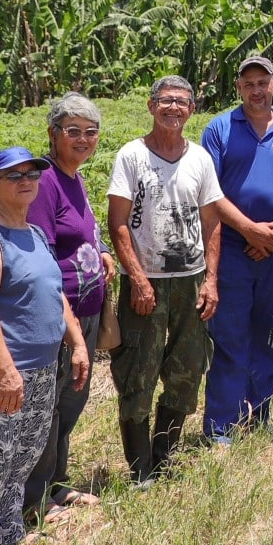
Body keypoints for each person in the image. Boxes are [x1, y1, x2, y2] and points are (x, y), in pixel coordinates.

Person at [0, 147, 88, 545]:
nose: (26, 181)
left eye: (32, 173)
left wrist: (78, 341)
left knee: (22, 456)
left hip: (42, 366)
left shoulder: (34, 233)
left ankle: (10, 532)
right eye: (14, 176)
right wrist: (7, 372)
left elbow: (57, 297)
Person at [107, 76, 224, 483]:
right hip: (147, 283)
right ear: (151, 105)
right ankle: (140, 473)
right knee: (138, 372)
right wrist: (138, 280)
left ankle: (163, 457)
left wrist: (211, 280)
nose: (174, 108)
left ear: (192, 109)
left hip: (190, 281)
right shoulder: (132, 156)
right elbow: (118, 224)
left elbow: (212, 223)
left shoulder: (200, 159)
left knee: (187, 370)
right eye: (166, 101)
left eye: (182, 102)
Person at [201, 55, 273, 441]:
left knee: (272, 333)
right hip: (230, 249)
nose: (256, 90)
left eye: (263, 82)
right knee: (229, 336)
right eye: (249, 84)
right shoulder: (220, 129)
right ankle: (221, 426)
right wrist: (248, 231)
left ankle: (259, 416)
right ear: (238, 87)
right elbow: (209, 193)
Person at [22, 94, 111, 523]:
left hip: (89, 308)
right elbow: (41, 259)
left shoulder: (75, 178)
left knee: (71, 399)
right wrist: (71, 328)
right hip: (62, 314)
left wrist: (102, 251)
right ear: (53, 134)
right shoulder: (45, 183)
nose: (83, 139)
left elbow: (80, 234)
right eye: (72, 130)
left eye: (90, 132)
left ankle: (57, 481)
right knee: (49, 403)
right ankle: (35, 498)